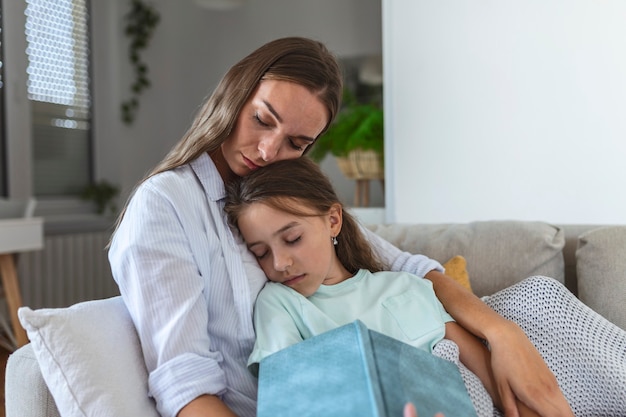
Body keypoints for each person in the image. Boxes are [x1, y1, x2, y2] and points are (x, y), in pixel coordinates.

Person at [108, 36, 575, 417]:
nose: (269, 151)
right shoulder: (166, 205)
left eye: (296, 142)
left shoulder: (282, 193)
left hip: (398, 381)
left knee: (538, 301)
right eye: (262, 120)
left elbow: (409, 269)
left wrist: (503, 334)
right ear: (235, 93)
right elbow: (184, 387)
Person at [224, 157, 626, 417]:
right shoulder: (280, 303)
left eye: (291, 239)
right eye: (260, 252)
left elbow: (489, 379)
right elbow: (288, 403)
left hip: (468, 401)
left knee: (539, 295)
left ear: (333, 221)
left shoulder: (403, 287)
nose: (279, 263)